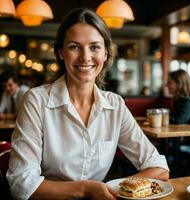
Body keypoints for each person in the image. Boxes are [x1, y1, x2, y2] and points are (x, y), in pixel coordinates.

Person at [7, 8, 169, 200]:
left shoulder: (115, 105)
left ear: (106, 54)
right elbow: (21, 184)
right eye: (75, 47)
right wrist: (85, 189)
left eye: (94, 47)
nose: (85, 57)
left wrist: (121, 189)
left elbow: (159, 169)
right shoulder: (36, 101)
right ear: (61, 53)